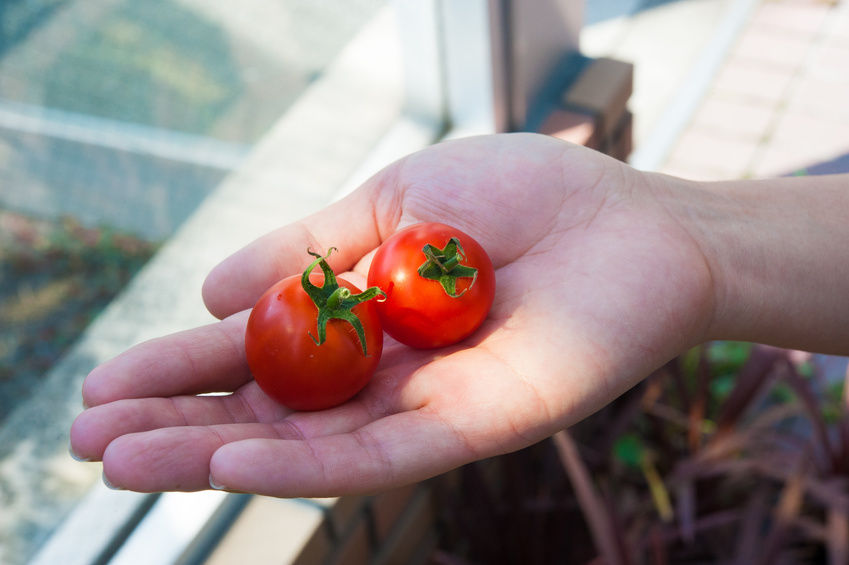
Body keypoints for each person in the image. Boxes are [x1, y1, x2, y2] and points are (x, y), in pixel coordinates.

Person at [69, 133, 849, 497]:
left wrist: (688, 242)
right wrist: (690, 239)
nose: (450, 267)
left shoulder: (366, 299)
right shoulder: (368, 306)